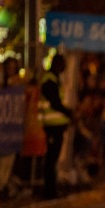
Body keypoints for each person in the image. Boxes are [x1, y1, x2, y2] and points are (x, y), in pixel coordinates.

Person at [38, 54, 73, 199]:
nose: (65, 67)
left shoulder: (54, 79)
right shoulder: (49, 80)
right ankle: (49, 190)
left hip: (57, 125)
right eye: (63, 63)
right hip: (52, 125)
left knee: (53, 158)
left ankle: (51, 189)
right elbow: (55, 103)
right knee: (51, 159)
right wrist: (69, 113)